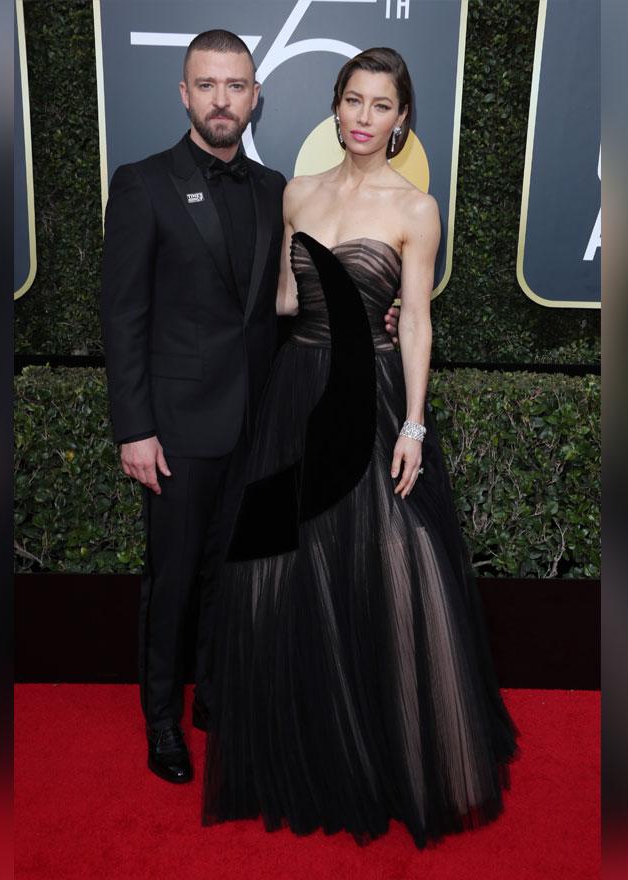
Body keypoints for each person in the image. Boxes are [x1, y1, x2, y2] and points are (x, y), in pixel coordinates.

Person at [201, 48, 519, 848]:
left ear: (401, 118)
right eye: (353, 101)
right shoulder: (297, 195)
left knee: (384, 567)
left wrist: (413, 423)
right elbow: (282, 295)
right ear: (333, 109)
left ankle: (383, 752)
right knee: (282, 573)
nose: (365, 117)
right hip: (295, 392)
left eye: (382, 105)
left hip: (370, 402)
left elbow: (416, 319)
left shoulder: (415, 208)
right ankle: (300, 743)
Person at [99, 31, 401, 785]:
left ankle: (218, 696)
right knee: (172, 578)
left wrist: (378, 314)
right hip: (175, 427)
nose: (222, 100)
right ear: (184, 94)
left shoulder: (279, 191)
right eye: (207, 85)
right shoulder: (142, 184)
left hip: (265, 425)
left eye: (236, 86)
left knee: (235, 575)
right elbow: (122, 316)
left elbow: (300, 301)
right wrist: (134, 427)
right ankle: (163, 721)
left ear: (255, 95)